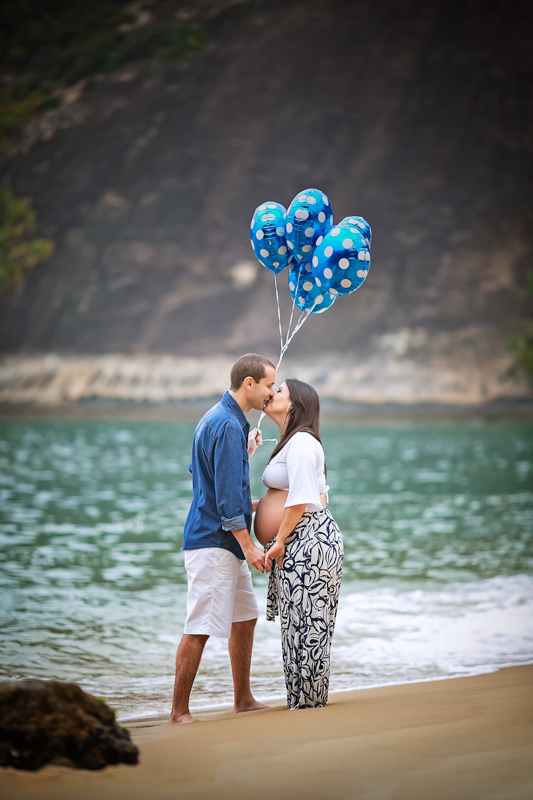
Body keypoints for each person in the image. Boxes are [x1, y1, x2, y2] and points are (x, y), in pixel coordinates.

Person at [168, 353, 276, 724]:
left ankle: (242, 698)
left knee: (244, 618)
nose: (271, 393)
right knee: (199, 627)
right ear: (249, 384)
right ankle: (178, 711)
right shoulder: (229, 426)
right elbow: (228, 499)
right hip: (214, 542)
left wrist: (244, 453)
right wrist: (250, 546)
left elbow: (207, 477)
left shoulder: (219, 419)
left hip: (222, 540)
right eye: (268, 385)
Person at [254, 378, 344, 709]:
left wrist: (277, 542)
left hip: (310, 541)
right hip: (298, 542)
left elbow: (302, 498)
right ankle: (300, 703)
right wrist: (258, 507)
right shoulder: (290, 442)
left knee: (310, 627)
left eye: (279, 390)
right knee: (295, 626)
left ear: (293, 404)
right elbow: (285, 495)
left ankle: (309, 707)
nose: (270, 392)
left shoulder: (303, 442)